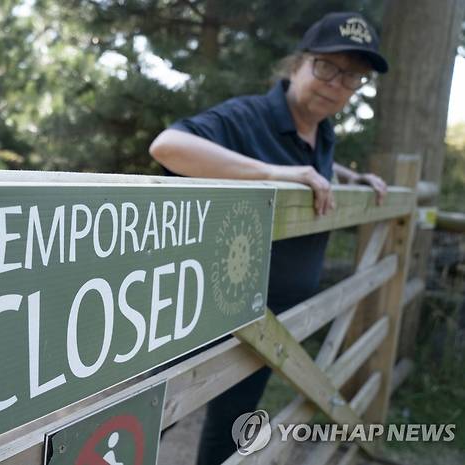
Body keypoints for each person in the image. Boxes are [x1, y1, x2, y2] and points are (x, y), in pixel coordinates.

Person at [149, 11, 389, 465]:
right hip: (213, 310)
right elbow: (167, 146)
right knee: (154, 418)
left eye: (352, 77)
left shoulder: (323, 133)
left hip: (271, 325)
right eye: (326, 67)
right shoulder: (249, 116)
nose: (336, 84)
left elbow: (309, 167)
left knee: (231, 432)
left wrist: (350, 177)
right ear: (297, 63)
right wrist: (273, 175)